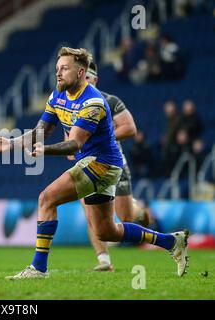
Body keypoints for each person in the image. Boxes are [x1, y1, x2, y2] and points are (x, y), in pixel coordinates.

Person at [0, 47, 189, 279]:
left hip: (102, 164)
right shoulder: (57, 95)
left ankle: (38, 268)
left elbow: (74, 144)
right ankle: (171, 241)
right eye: (57, 69)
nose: (58, 73)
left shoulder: (93, 102)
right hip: (96, 164)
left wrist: (45, 150)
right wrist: (10, 144)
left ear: (81, 72)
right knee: (105, 231)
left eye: (65, 68)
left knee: (46, 198)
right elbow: (40, 131)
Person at [82, 61, 138, 272]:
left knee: (127, 219)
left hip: (115, 165)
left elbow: (130, 128)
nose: (83, 81)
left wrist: (101, 137)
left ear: (95, 80)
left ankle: (137, 207)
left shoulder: (110, 101)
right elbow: (69, 139)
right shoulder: (72, 104)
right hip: (86, 167)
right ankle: (104, 260)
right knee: (91, 217)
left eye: (87, 77)